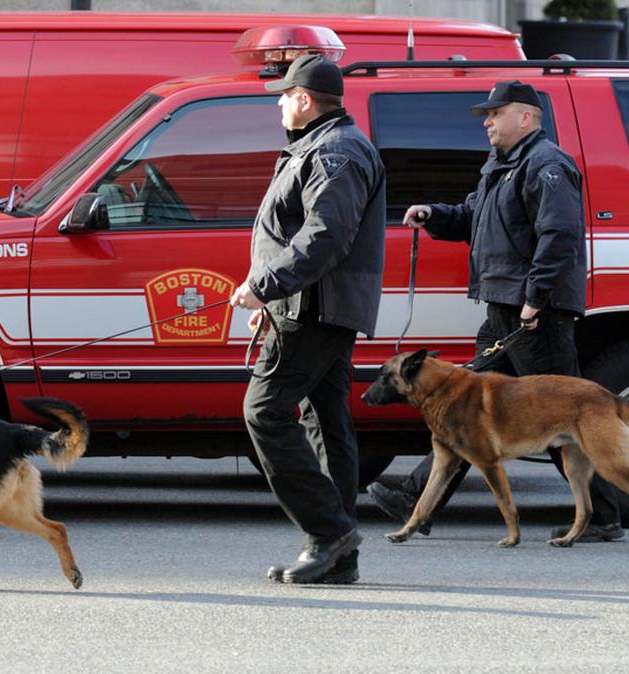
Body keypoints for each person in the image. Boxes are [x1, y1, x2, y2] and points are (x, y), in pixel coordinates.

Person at [369, 80, 624, 543]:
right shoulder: (501, 167)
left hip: (533, 313)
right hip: (503, 308)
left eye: (495, 113)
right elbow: (474, 217)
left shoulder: (547, 165)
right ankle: (416, 502)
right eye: (485, 114)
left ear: (525, 117)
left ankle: (603, 516)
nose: (486, 121)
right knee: (461, 409)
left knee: (560, 416)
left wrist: (536, 296)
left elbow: (559, 235)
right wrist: (436, 215)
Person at [230, 54, 386, 584]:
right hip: (306, 305)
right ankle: (338, 555)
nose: (277, 102)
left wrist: (266, 287)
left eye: (283, 94)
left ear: (304, 99)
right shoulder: (320, 146)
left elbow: (325, 236)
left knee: (265, 412)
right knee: (326, 423)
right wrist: (271, 301)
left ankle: (329, 533)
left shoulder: (336, 150)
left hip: (314, 309)